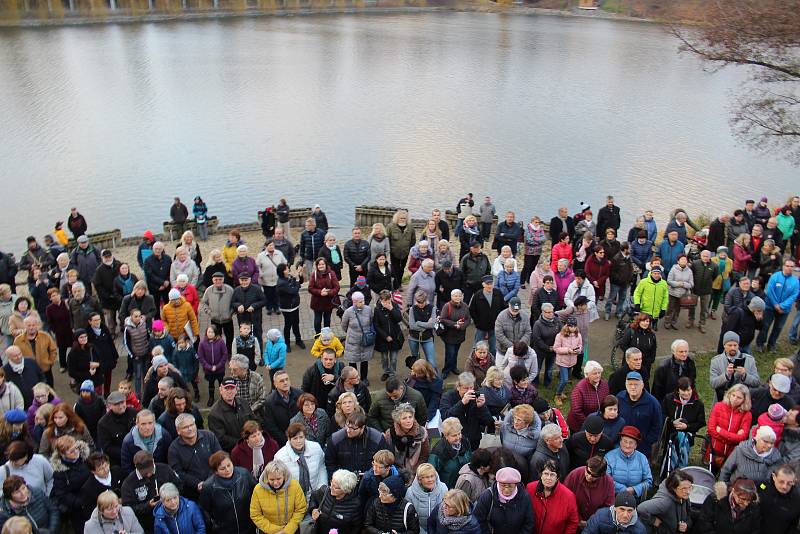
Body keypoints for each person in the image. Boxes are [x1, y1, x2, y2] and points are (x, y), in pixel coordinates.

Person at [198, 451, 257, 534]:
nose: (227, 470)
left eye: (229, 465)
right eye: (222, 468)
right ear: (216, 471)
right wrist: (214, 526)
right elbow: (205, 512)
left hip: (248, 528)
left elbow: (257, 495)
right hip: (224, 530)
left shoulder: (244, 475)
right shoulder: (208, 487)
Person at [167, 413, 221, 501]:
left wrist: (209, 481)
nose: (190, 429)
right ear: (178, 431)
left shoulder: (209, 436)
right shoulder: (174, 449)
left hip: (217, 484)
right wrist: (197, 484)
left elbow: (219, 458)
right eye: (185, 427)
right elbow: (178, 473)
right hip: (193, 494)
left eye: (192, 425)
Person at [438, 373, 493, 453]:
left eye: (471, 387)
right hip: (453, 441)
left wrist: (481, 407)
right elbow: (445, 417)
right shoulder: (447, 397)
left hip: (473, 441)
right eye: (466, 388)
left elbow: (488, 422)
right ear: (458, 387)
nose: (469, 391)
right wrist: (462, 403)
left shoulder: (476, 396)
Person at [250, 459, 307, 534]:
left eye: (278, 479)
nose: (275, 483)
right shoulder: (258, 489)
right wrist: (275, 530)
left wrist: (287, 530)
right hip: (268, 532)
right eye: (272, 479)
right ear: (267, 477)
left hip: (292, 531)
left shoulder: (295, 486)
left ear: (284, 476)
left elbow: (300, 510)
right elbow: (255, 515)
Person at [473, 467, 533, 534]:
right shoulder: (487, 496)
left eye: (510, 486)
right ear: (498, 482)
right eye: (503, 485)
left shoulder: (524, 497)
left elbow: (529, 523)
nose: (506, 490)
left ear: (516, 484)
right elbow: (479, 520)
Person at [527, 459, 579, 534]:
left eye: (552, 474)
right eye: (546, 473)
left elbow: (573, 522)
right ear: (540, 475)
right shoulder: (530, 488)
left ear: (557, 477)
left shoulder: (569, 496)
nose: (548, 478)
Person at [325, 412, 387, 476]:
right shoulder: (336, 439)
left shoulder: (377, 439)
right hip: (344, 480)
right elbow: (330, 463)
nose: (348, 430)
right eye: (347, 426)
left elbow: (384, 462)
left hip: (370, 478)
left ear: (362, 428)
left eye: (353, 428)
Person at [616, 371, 661, 456]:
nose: (633, 387)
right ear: (626, 385)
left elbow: (657, 426)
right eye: (630, 384)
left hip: (642, 448)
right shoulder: (619, 398)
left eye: (636, 384)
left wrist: (646, 442)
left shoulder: (653, 403)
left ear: (642, 385)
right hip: (621, 445)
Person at [757, 259, 799, 351]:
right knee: (765, 326)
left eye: (792, 267)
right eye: (787, 266)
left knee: (778, 328)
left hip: (784, 310)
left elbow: (794, 295)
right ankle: (760, 344)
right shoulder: (775, 276)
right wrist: (776, 304)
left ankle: (771, 345)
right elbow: (769, 291)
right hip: (770, 307)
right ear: (783, 266)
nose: (789, 268)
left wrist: (782, 306)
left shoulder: (795, 281)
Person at [563, 456, 615, 529]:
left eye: (594, 475)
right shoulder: (574, 475)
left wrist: (592, 522)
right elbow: (564, 499)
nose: (589, 476)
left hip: (596, 523)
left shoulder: (608, 482)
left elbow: (608, 507)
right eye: (588, 472)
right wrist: (578, 519)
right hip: (571, 519)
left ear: (601, 475)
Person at [694, 477, 761, 534]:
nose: (746, 503)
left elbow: (755, 530)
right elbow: (704, 523)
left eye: (749, 500)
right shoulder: (714, 500)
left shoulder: (754, 507)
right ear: (733, 491)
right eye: (743, 499)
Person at [208, 377, 256, 452]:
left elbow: (253, 421)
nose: (229, 391)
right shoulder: (214, 414)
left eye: (232, 388)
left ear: (236, 390)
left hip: (251, 447)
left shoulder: (244, 403)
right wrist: (243, 443)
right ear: (220, 390)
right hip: (232, 453)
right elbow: (221, 439)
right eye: (226, 389)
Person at [710, 331, 761, 400]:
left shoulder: (749, 360)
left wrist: (744, 375)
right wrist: (726, 375)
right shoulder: (716, 361)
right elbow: (713, 383)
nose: (733, 348)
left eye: (735, 345)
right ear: (724, 345)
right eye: (730, 345)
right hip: (722, 400)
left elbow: (756, 382)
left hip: (741, 400)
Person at [308, 469, 362, 534]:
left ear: (345, 490)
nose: (331, 487)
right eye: (331, 483)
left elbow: (356, 528)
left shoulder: (355, 505)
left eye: (335, 487)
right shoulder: (324, 491)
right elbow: (313, 497)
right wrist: (313, 509)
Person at [605, 425, 652, 500]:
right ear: (620, 442)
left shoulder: (642, 458)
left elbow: (648, 481)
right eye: (625, 441)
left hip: (635, 498)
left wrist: (635, 489)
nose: (627, 445)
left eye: (631, 442)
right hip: (614, 497)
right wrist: (624, 490)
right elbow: (606, 479)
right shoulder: (609, 457)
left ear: (636, 445)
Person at [341, 292, 374, 384]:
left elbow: (371, 321)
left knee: (364, 360)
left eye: (363, 301)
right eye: (360, 301)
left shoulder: (368, 309)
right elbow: (344, 325)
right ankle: (353, 378)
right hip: (353, 341)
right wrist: (352, 333)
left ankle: (364, 378)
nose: (362, 303)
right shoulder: (348, 312)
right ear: (354, 302)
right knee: (352, 361)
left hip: (365, 340)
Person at [262, 370, 302, 446]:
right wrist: (287, 440)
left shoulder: (300, 394)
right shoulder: (269, 402)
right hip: (283, 441)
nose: (285, 382)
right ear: (275, 384)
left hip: (301, 436)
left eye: (287, 379)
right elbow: (271, 426)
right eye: (281, 381)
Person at [758, 464, 800, 534]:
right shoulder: (763, 487)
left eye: (789, 483)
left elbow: (794, 525)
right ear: (774, 477)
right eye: (781, 481)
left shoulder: (797, 499)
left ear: (794, 481)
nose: (785, 486)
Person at [567, 361, 608, 433]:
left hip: (598, 422)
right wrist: (589, 423)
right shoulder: (579, 389)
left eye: (599, 373)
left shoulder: (604, 385)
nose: (598, 375)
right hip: (579, 425)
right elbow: (576, 411)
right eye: (594, 373)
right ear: (587, 374)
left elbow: (607, 401)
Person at [373, 290, 405, 382]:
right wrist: (385, 336)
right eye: (384, 302)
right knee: (385, 358)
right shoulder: (377, 309)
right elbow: (376, 325)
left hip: (395, 337)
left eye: (388, 302)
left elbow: (399, 319)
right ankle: (386, 371)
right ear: (381, 300)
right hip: (383, 339)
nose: (386, 304)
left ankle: (392, 373)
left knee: (394, 358)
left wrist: (391, 309)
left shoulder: (394, 306)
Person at [531, 303, 560, 386]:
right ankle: (535, 383)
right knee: (537, 368)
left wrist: (555, 347)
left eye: (552, 312)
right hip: (540, 351)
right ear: (543, 312)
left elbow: (561, 333)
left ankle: (547, 383)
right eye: (548, 312)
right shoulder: (538, 324)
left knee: (549, 369)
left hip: (553, 351)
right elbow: (537, 339)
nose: (551, 314)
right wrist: (548, 348)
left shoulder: (557, 321)